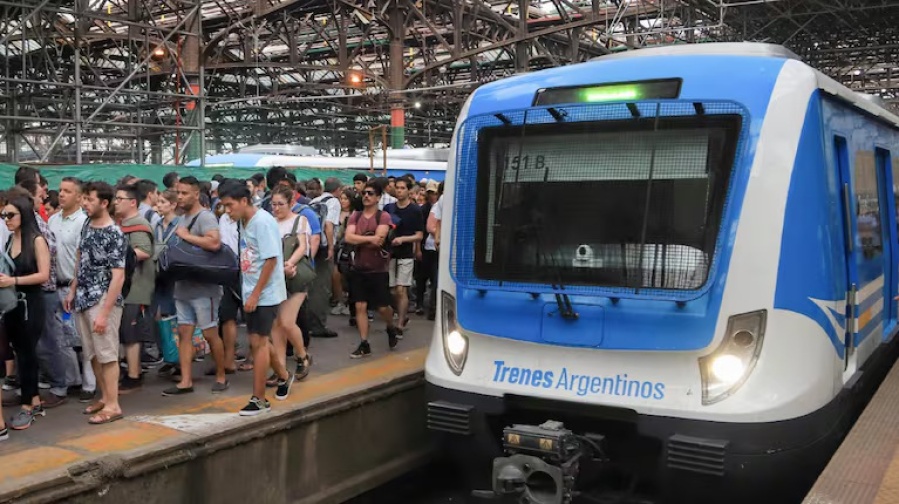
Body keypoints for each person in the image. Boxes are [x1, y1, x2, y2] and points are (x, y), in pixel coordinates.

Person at [218, 182, 292, 415]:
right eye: (224, 206)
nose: (227, 211)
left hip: (265, 293)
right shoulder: (243, 222)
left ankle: (259, 399)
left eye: (230, 205)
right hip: (250, 290)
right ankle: (284, 376)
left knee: (257, 343)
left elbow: (271, 260)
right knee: (260, 341)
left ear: (244, 200)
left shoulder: (263, 222)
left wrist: (257, 294)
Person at [64, 181, 127, 425]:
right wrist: (73, 288)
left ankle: (113, 405)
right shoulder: (87, 225)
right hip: (83, 296)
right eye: (85, 199)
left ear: (104, 203)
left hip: (102, 298)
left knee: (107, 354)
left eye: (90, 200)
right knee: (92, 353)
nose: (85, 203)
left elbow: (118, 275)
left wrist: (104, 312)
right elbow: (81, 256)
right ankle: (105, 397)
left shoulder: (114, 233)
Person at [163, 176, 229, 396]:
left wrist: (187, 236)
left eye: (184, 193)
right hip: (183, 286)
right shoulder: (183, 217)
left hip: (204, 289)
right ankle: (186, 380)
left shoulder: (205, 217)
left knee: (210, 333)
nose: (179, 196)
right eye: (178, 192)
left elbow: (214, 242)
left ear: (195, 193)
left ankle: (221, 375)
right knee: (184, 333)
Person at [0, 197, 51, 429]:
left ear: (24, 215)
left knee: (28, 354)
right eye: (4, 216)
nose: (6, 220)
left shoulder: (37, 240)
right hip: (12, 304)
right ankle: (35, 400)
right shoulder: (11, 240)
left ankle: (27, 406)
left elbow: (44, 275)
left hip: (31, 302)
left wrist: (14, 279)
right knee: (20, 353)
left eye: (11, 215)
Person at [345, 182, 399, 358]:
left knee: (383, 307)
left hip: (378, 269)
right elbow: (348, 237)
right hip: (358, 267)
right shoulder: (356, 215)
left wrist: (359, 238)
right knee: (360, 305)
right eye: (364, 193)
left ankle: (390, 326)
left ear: (378, 197)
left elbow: (380, 239)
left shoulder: (383, 217)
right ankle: (364, 342)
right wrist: (368, 238)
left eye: (370, 193)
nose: (366, 196)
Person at [270, 186, 312, 382]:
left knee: (287, 322)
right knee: (276, 325)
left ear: (291, 203)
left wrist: (290, 263)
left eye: (281, 204)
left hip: (295, 276)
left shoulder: (299, 220)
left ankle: (302, 355)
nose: (276, 208)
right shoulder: (269, 222)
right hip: (274, 277)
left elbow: (303, 246)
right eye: (274, 204)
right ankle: (280, 369)